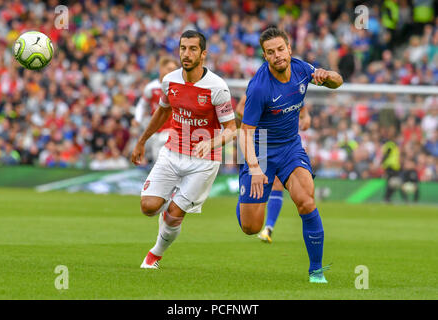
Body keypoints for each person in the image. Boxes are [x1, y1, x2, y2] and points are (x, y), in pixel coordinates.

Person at [236, 27, 343, 283]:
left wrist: (327, 76)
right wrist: (253, 168)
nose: (277, 56)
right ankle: (244, 195)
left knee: (306, 200)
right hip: (260, 151)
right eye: (270, 52)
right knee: (251, 227)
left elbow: (339, 81)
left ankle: (316, 271)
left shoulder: (302, 69)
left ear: (289, 49)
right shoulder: (259, 88)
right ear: (264, 56)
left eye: (280, 49)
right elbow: (245, 133)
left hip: (290, 148)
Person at [131, 30, 237, 269]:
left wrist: (211, 142)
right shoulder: (169, 81)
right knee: (148, 207)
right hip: (171, 153)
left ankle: (154, 255)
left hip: (204, 161)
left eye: (192, 49)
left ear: (203, 54)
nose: (186, 54)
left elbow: (231, 128)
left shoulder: (217, 87)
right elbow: (163, 111)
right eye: (182, 48)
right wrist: (142, 140)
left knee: (174, 213)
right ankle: (170, 202)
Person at [235, 94, 312, 243]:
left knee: (277, 183)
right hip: (255, 141)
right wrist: (263, 119)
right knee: (251, 189)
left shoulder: (288, 88)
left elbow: (300, 106)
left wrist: (306, 116)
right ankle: (244, 199)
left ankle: (268, 228)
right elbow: (239, 109)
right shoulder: (259, 88)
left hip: (278, 143)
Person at [134, 56, 179, 164]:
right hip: (156, 131)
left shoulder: (178, 87)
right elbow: (142, 104)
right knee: (157, 162)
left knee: (169, 163)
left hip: (172, 130)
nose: (171, 72)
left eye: (174, 70)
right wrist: (137, 119)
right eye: (169, 69)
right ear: (161, 69)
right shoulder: (151, 87)